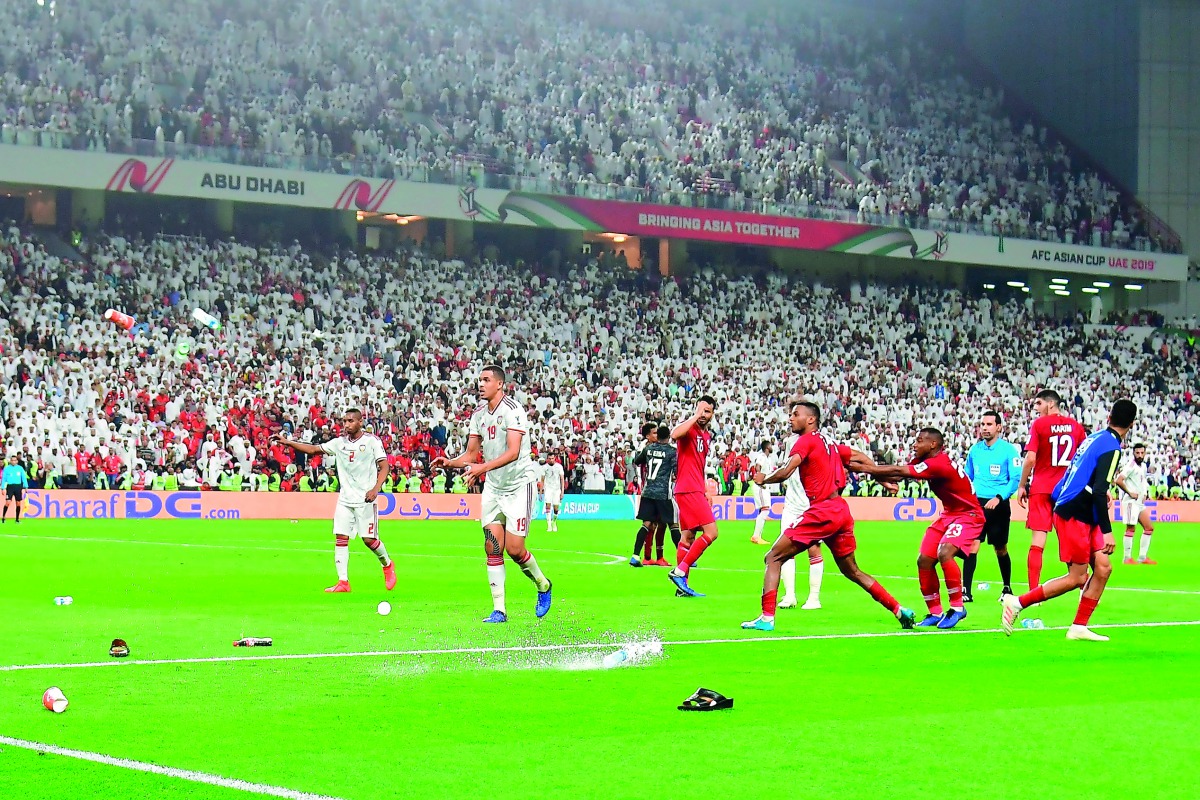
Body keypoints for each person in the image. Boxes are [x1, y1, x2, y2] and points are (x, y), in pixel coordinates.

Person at [742, 401, 916, 631]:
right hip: (840, 511)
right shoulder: (830, 443)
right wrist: (878, 476)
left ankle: (766, 618)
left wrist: (764, 479)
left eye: (796, 414)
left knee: (773, 558)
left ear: (811, 419)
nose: (790, 418)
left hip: (821, 511)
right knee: (852, 570)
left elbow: (786, 472)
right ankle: (898, 609)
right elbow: (858, 456)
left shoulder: (805, 441)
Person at [1003, 400, 1138, 642]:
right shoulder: (1112, 448)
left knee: (1104, 568)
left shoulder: (1094, 438)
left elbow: (1076, 472)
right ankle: (1017, 602)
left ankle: (1079, 627)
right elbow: (1098, 491)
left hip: (1076, 506)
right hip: (1076, 511)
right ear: (1132, 424)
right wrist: (1107, 531)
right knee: (1077, 576)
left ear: (1109, 416)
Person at [431, 365, 552, 623]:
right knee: (492, 546)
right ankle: (500, 610)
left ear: (499, 384)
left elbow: (513, 452)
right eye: (479, 380)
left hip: (520, 485)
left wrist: (481, 469)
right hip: (494, 488)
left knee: (516, 550)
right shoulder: (478, 415)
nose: (481, 384)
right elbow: (472, 455)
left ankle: (543, 584)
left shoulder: (513, 410)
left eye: (486, 380)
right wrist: (451, 462)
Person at [857, 428, 984, 629]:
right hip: (949, 514)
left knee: (945, 552)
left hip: (969, 515)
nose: (914, 444)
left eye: (919, 441)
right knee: (924, 560)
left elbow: (898, 472)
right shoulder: (926, 462)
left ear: (933, 444)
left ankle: (958, 608)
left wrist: (863, 468)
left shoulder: (939, 464)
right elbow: (898, 475)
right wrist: (868, 468)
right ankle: (935, 612)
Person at [272, 409, 396, 593]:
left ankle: (387, 564)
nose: (346, 425)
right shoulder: (339, 443)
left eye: (350, 421)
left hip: (365, 499)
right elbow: (314, 449)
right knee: (341, 537)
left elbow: (384, 466)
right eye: (344, 421)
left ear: (360, 422)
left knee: (369, 540)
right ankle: (343, 581)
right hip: (345, 499)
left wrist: (375, 489)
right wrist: (288, 443)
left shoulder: (372, 441)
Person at [1017, 390, 1086, 590]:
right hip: (1068, 490)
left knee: (1038, 541)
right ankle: (1084, 589)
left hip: (1041, 488)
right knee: (1070, 539)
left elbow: (1030, 458)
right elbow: (1084, 460)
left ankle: (1033, 592)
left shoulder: (1039, 425)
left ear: (1050, 404)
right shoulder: (1076, 427)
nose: (1036, 408)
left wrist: (1022, 485)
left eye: (1038, 403)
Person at [963, 410, 1021, 598]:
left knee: (1000, 548)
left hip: (999, 504)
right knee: (972, 545)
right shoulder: (975, 450)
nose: (985, 428)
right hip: (977, 504)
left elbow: (1015, 479)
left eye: (989, 424)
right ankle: (966, 591)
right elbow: (967, 477)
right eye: (983, 424)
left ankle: (1006, 587)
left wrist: (999, 497)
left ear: (998, 427)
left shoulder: (1008, 450)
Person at [667, 396, 719, 597]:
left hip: (695, 488)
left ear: (712, 414)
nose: (703, 415)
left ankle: (682, 588)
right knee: (712, 532)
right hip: (688, 489)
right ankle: (679, 571)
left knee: (687, 537)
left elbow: (699, 464)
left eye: (707, 412)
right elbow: (674, 434)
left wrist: (705, 488)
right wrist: (695, 415)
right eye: (701, 410)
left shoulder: (707, 437)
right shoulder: (689, 430)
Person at [770, 430, 823, 610]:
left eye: (796, 414)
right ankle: (790, 595)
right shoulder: (790, 441)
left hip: (811, 505)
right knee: (785, 549)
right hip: (791, 505)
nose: (792, 419)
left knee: (813, 549)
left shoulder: (819, 441)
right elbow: (787, 470)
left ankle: (814, 598)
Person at [631, 424, 677, 567]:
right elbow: (677, 471)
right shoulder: (672, 451)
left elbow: (637, 461)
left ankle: (635, 556)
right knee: (673, 524)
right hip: (663, 493)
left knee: (646, 524)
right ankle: (686, 558)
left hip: (648, 491)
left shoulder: (649, 449)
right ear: (669, 436)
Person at [1113, 443, 1155, 565]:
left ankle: (1142, 557)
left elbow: (1141, 482)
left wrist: (1146, 493)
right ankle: (1127, 558)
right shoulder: (1130, 466)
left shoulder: (1142, 466)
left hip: (1139, 502)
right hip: (1131, 502)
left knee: (1149, 527)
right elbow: (1118, 480)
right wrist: (1130, 492)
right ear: (1134, 453)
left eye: (1142, 453)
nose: (1140, 455)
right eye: (1138, 453)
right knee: (1131, 529)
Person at [748, 441, 776, 545]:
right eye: (770, 445)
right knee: (765, 510)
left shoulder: (768, 459)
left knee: (763, 511)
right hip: (761, 486)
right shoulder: (762, 456)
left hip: (765, 486)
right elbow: (757, 466)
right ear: (767, 447)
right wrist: (760, 479)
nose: (772, 446)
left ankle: (758, 536)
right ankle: (756, 536)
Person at [541, 453, 565, 531]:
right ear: (547, 459)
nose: (551, 460)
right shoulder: (544, 467)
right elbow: (542, 480)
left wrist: (562, 492)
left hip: (556, 489)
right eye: (549, 458)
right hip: (548, 489)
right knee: (547, 506)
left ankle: (554, 522)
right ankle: (548, 525)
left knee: (556, 508)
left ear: (555, 458)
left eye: (552, 458)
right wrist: (541, 492)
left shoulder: (559, 467)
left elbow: (562, 479)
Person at [2, 455, 29, 524]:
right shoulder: (7, 469)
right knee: (8, 502)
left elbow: (23, 478)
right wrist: (3, 488)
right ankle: (3, 516)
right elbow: (4, 479)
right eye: (12, 460)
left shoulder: (20, 468)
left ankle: (17, 519)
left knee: (18, 503)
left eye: (15, 460)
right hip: (10, 486)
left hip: (18, 486)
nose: (13, 462)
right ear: (10, 461)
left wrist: (26, 486)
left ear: (17, 461)